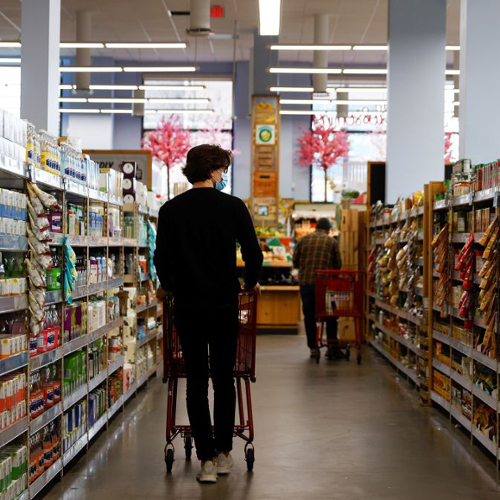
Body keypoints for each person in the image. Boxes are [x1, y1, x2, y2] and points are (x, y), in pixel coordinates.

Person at [154, 144, 263, 483]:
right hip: (224, 304)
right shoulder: (232, 206)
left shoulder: (171, 209)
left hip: (188, 306)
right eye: (223, 169)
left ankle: (205, 461)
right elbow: (253, 252)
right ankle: (225, 452)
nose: (224, 175)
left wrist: (170, 285)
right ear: (215, 171)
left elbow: (161, 258)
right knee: (224, 377)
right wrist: (249, 282)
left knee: (196, 381)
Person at [293, 217, 342, 359]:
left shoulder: (302, 240)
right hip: (325, 285)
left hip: (306, 284)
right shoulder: (332, 241)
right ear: (327, 229)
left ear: (316, 227)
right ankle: (332, 346)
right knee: (330, 315)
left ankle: (313, 348)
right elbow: (338, 264)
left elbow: (295, 262)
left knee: (309, 317)